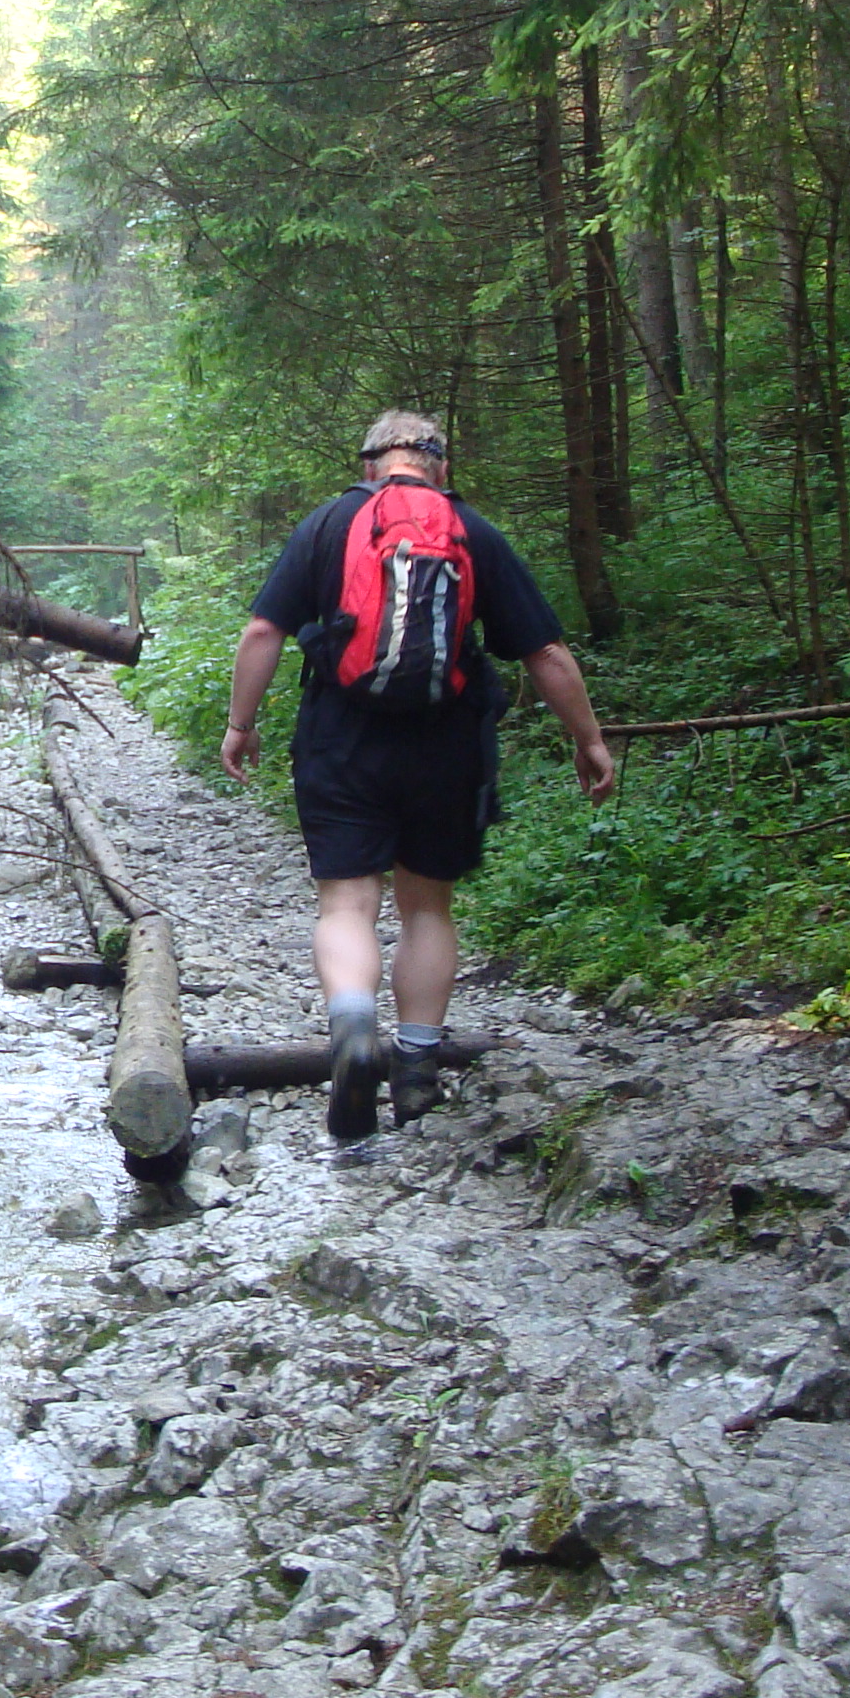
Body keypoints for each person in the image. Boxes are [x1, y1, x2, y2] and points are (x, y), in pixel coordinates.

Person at [216, 408, 619, 1155]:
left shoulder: (328, 524)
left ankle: (353, 1029)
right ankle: (416, 1070)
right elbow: (546, 652)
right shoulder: (473, 532)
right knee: (428, 906)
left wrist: (241, 724)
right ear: (441, 467)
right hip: (447, 743)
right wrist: (589, 739)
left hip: (340, 739)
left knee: (346, 903)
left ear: (369, 466)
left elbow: (263, 631)